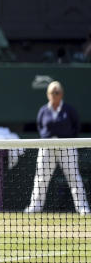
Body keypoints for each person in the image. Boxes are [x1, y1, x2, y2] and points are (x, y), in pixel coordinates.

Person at [25, 81, 89, 215]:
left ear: (61, 94)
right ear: (47, 94)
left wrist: (67, 139)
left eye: (57, 92)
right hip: (47, 147)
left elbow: (76, 126)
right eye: (52, 92)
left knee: (73, 177)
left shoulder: (69, 110)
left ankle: (82, 208)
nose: (54, 95)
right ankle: (35, 207)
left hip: (66, 147)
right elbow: (40, 126)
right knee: (41, 177)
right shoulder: (43, 110)